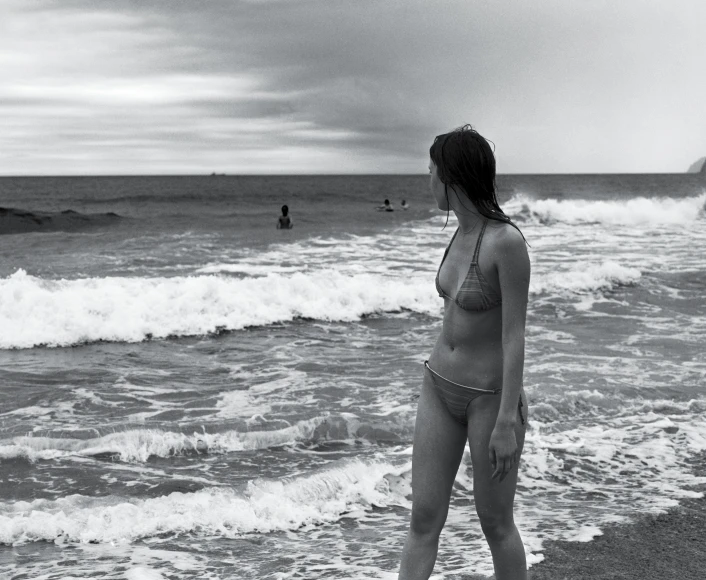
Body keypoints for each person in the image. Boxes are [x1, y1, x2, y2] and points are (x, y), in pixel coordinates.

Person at [398, 124, 530, 580]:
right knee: (423, 519)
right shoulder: (458, 233)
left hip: (489, 400)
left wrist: (507, 421)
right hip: (438, 386)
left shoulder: (506, 243)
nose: (428, 179)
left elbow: (514, 336)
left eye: (432, 170)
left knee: (495, 523)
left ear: (452, 177)